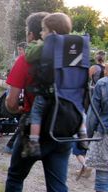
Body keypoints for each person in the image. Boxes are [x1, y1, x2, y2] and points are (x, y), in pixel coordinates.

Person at [0, 12, 77, 192]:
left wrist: (16, 108)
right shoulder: (74, 55)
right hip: (64, 130)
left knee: (16, 177)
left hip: (34, 131)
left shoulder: (27, 58)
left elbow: (10, 102)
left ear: (40, 33)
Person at [22, 13, 88, 158]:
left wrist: (40, 43)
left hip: (50, 93)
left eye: (44, 30)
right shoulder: (76, 45)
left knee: (36, 113)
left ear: (52, 33)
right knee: (79, 107)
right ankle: (82, 133)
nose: (41, 33)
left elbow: (29, 55)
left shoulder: (49, 44)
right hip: (73, 92)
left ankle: (33, 142)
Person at [85, 64, 108, 192]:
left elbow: (93, 116)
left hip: (104, 135)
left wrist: (88, 136)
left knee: (102, 182)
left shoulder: (102, 84)